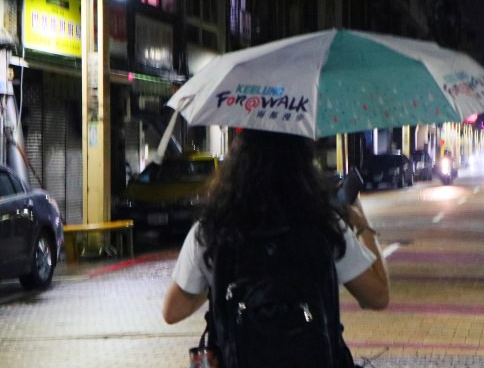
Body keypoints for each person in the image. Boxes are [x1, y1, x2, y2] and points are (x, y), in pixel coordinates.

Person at [162, 129, 390, 325]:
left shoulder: (211, 231)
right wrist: (362, 226)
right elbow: (378, 296)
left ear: (235, 168)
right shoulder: (324, 225)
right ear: (303, 167)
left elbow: (173, 312)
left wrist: (218, 282)